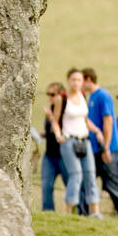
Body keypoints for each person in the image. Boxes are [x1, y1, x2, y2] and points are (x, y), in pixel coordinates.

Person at [82, 68, 118, 219]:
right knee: (87, 180)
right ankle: (84, 213)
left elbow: (108, 120)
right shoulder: (91, 97)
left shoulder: (103, 95)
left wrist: (106, 147)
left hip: (107, 149)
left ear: (88, 79)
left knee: (114, 185)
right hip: (95, 149)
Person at [53, 68, 100, 216]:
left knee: (90, 174)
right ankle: (69, 211)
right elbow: (55, 120)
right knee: (76, 174)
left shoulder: (83, 96)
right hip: (69, 140)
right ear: (68, 80)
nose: (76, 83)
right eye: (73, 79)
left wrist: (97, 131)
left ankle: (95, 212)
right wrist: (58, 135)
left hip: (84, 140)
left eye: (79, 80)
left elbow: (85, 120)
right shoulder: (62, 98)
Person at [40, 81, 68, 211]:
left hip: (63, 155)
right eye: (48, 94)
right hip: (49, 155)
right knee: (46, 185)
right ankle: (48, 211)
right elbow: (51, 130)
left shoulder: (66, 112)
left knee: (70, 184)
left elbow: (60, 129)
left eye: (53, 94)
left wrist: (51, 118)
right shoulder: (49, 111)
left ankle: (76, 212)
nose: (50, 97)